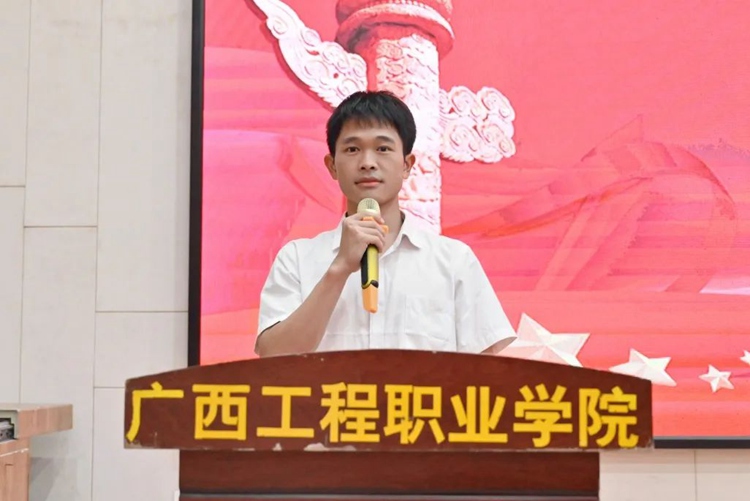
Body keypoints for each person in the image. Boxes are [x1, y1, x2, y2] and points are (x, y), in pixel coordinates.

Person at [255, 91, 517, 357]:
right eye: (352, 149)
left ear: (407, 165)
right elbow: (273, 356)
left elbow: (485, 368)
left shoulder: (453, 260)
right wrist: (340, 268)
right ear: (332, 166)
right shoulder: (297, 259)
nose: (367, 163)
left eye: (382, 149)